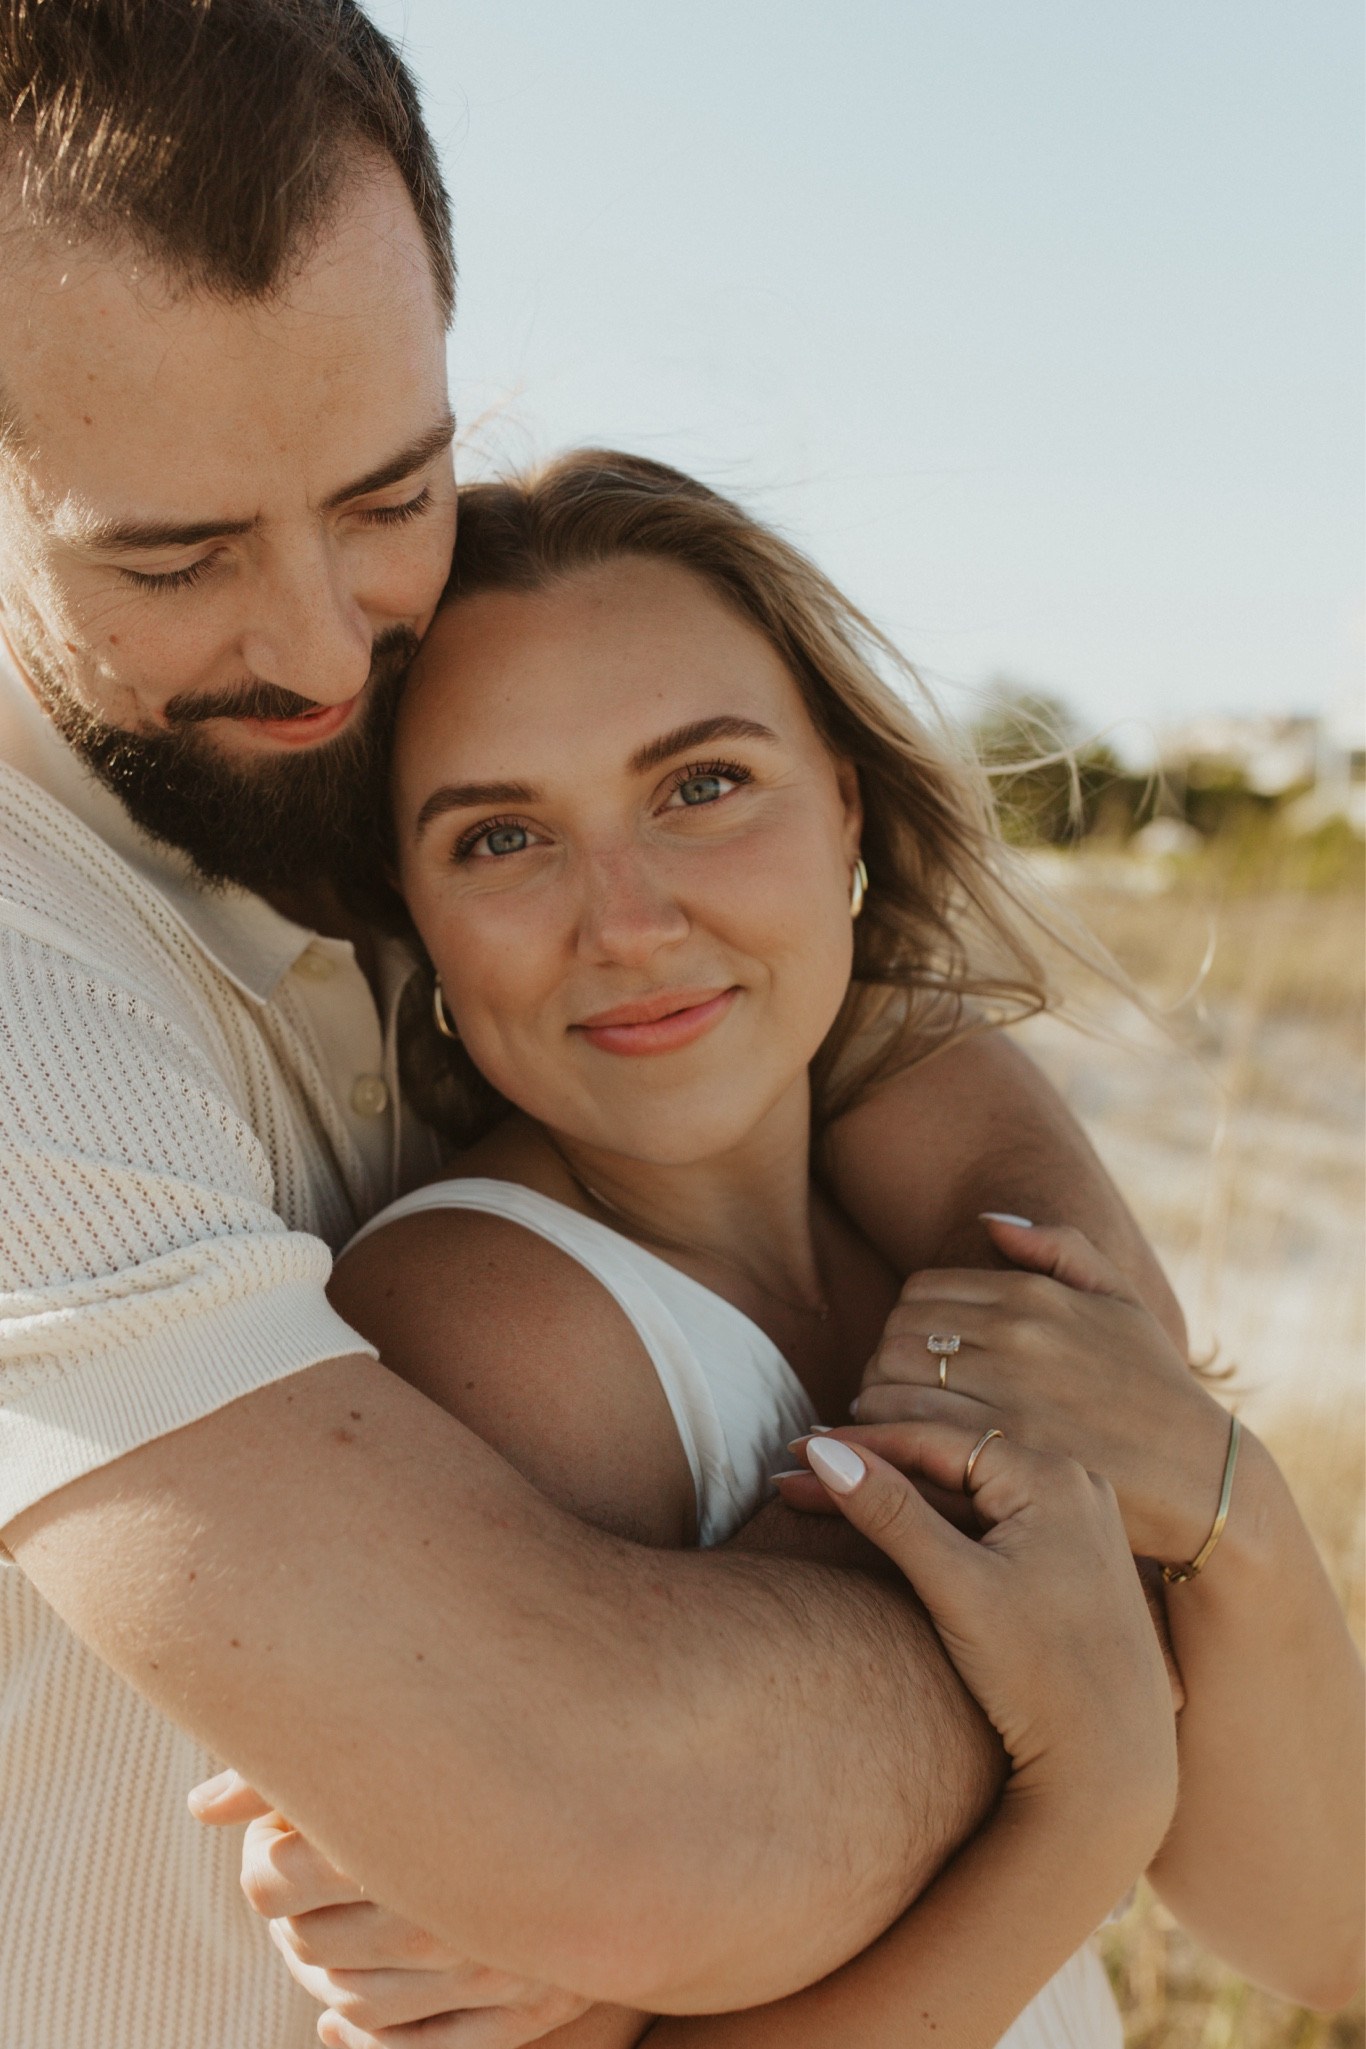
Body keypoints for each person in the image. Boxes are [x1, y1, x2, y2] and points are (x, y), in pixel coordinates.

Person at [0, 4, 1207, 2045]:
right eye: (179, 556)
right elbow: (612, 1830)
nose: (318, 647)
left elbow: (842, 999)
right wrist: (1078, 1638)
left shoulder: (387, 750)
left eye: (394, 487)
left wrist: (1082, 1347)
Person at [207, 453, 1362, 2048]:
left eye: (700, 786)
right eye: (498, 838)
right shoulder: (493, 1320)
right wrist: (1085, 1797)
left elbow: (1316, 1926)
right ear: (415, 916)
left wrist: (1228, 1499)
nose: (626, 917)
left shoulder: (941, 1224)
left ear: (846, 809)